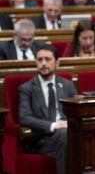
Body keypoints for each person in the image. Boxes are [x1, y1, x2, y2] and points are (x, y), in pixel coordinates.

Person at [19, 44, 77, 174]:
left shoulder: (67, 85)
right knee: (68, 141)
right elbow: (24, 117)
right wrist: (53, 125)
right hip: (42, 138)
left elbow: (76, 111)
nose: (43, 63)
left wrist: (69, 124)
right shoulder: (27, 88)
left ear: (57, 63)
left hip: (67, 134)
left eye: (47, 59)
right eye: (40, 60)